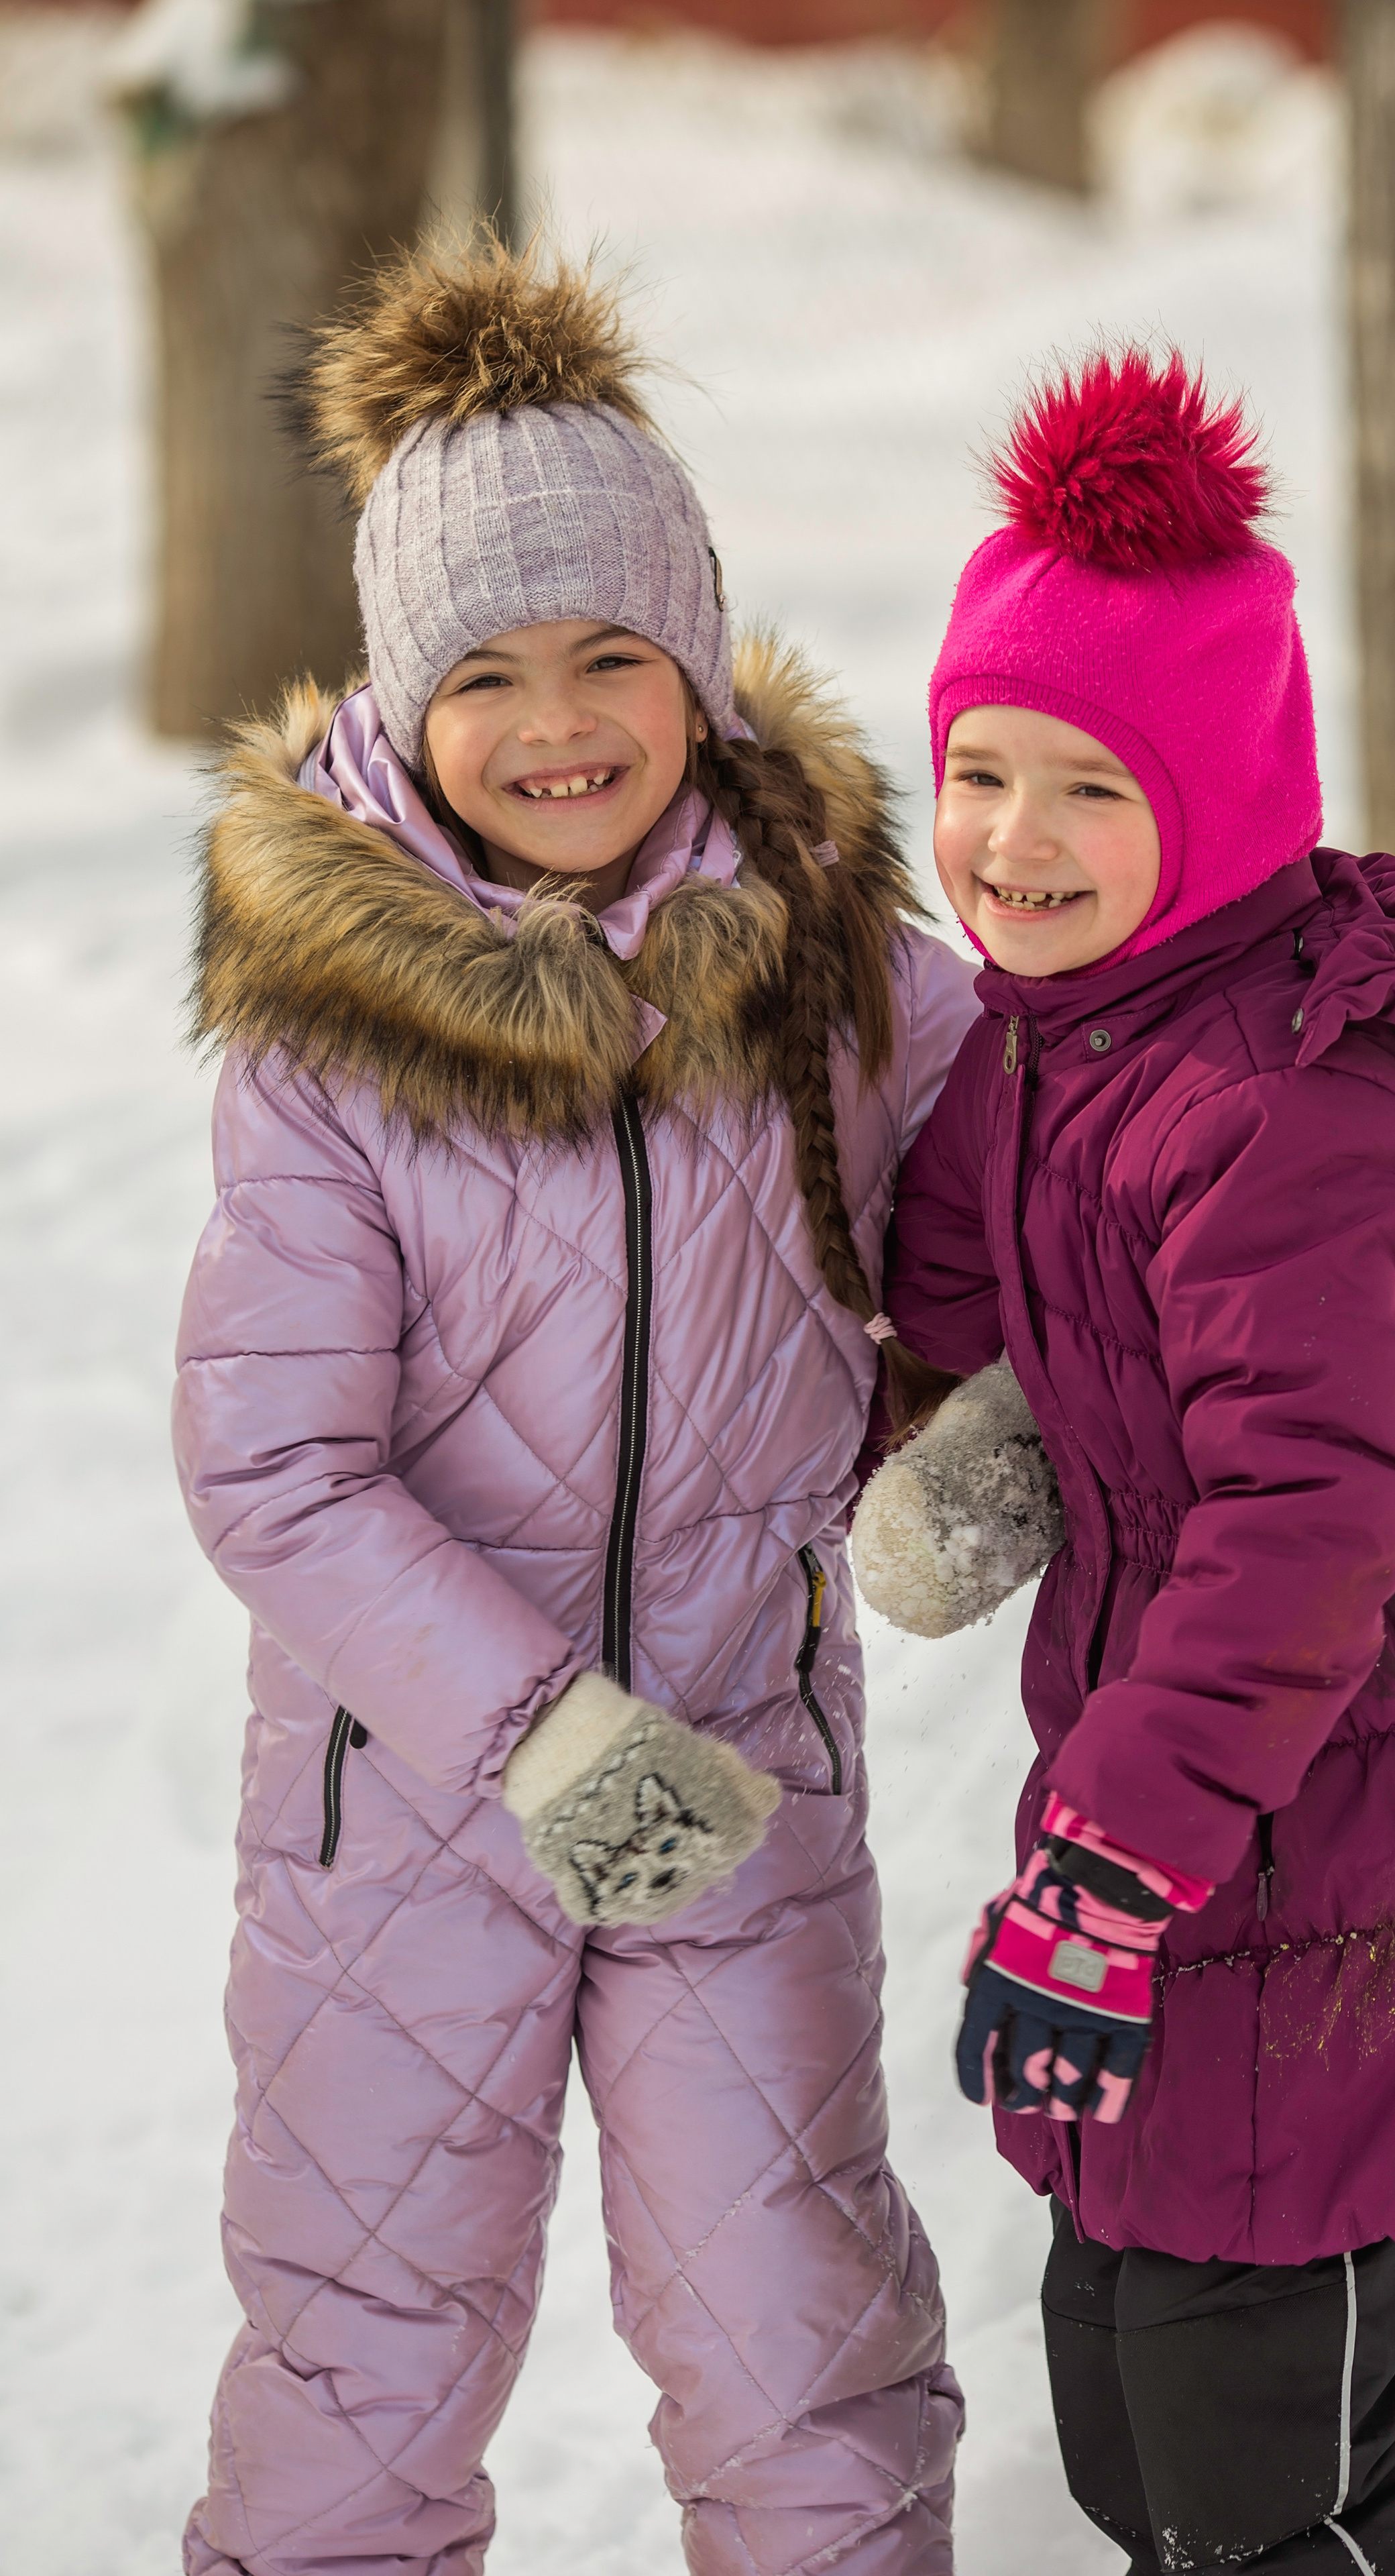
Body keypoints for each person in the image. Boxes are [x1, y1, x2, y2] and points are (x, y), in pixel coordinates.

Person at [172, 239, 976, 2576]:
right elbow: (275, 1464)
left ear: (699, 656)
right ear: (404, 699)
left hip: (740, 1775)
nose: (559, 723)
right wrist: (542, 1734)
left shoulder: (827, 946)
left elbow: (1028, 1180)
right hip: (407, 1814)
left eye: (611, 653)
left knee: (801, 2334)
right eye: (488, 672)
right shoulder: (334, 1036)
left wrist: (972, 1436)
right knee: (364, 2360)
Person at [878, 347, 1395, 2575]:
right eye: (979, 772)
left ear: (1222, 805)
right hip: (1221, 1869)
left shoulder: (1287, 1108)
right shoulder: (1080, 1042)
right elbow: (940, 1292)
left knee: (1241, 2465)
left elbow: (1305, 1532)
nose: (1012, 845)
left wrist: (1098, 1887)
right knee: (1140, 2431)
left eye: (1089, 791)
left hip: (1329, 1873)